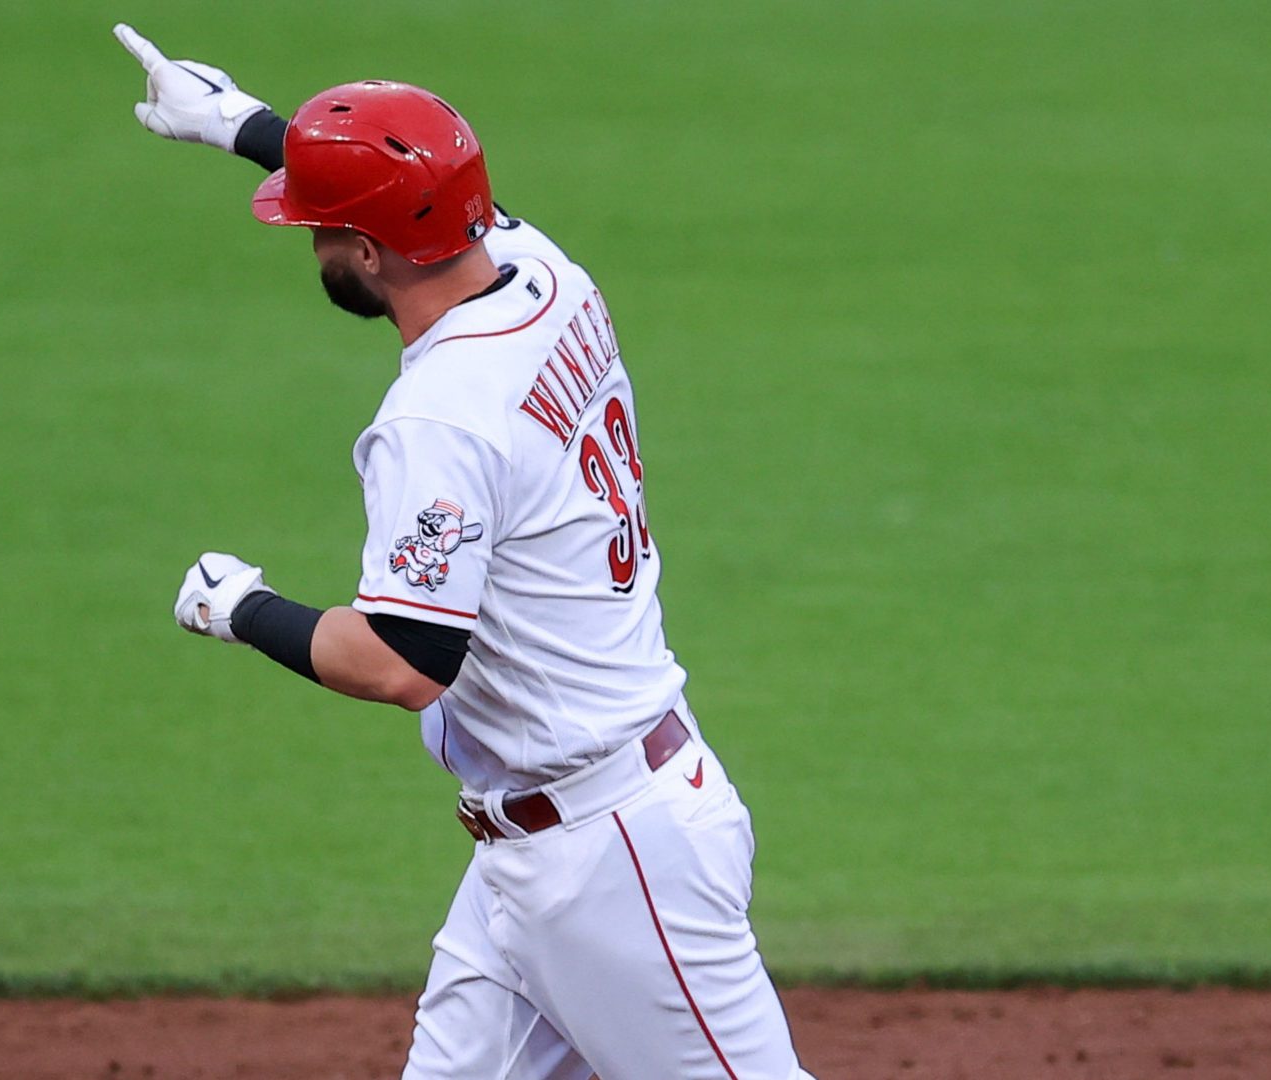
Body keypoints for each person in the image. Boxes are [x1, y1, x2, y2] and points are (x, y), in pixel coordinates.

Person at [115, 24, 814, 1080]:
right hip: (538, 848)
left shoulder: (439, 419)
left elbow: (402, 661)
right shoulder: (543, 271)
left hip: (614, 861)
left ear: (367, 254)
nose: (310, 242)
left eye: (319, 228)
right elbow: (419, 192)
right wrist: (237, 122)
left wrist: (239, 609)